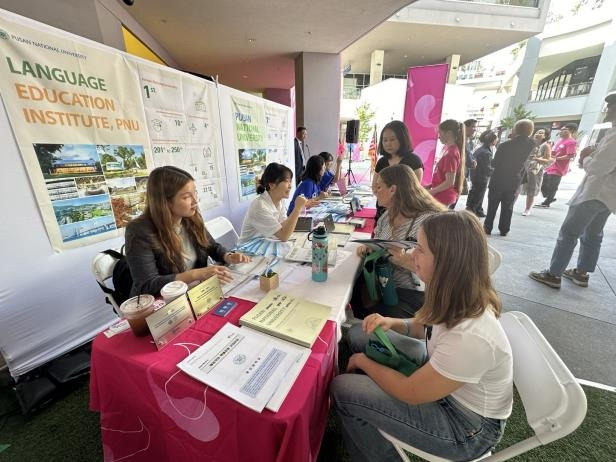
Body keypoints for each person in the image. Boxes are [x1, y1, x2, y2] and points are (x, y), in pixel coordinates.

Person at [332, 211, 512, 462]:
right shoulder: (455, 291)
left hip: (465, 427)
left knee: (343, 388)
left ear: (446, 261)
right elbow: (425, 327)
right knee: (357, 333)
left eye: (421, 249)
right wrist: (392, 322)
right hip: (439, 376)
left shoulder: (471, 335)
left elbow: (411, 391)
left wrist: (364, 362)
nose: (412, 255)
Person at [529, 92, 616, 289]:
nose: (607, 111)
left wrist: (585, 157)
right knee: (593, 234)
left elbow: (597, 168)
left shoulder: (614, 136)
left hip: (594, 193)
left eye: (611, 107)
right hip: (608, 196)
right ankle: (581, 272)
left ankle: (554, 274)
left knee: (569, 233)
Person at [125, 166, 250, 297]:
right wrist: (196, 274)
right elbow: (147, 285)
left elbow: (211, 246)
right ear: (165, 202)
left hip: (195, 291)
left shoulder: (190, 218)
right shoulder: (139, 231)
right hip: (165, 301)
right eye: (186, 197)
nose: (195, 201)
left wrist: (228, 256)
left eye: (195, 193)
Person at [354, 164, 446, 319]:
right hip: (384, 284)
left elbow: (442, 272)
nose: (375, 191)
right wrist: (369, 247)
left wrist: (404, 260)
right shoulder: (387, 215)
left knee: (379, 318)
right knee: (353, 286)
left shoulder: (430, 222)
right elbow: (377, 240)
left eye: (379, 187)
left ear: (393, 189)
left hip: (414, 293)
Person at [483, 119, 535, 237]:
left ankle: (488, 227)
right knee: (508, 206)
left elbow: (495, 163)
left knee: (492, 205)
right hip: (514, 179)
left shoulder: (504, 145)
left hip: (499, 178)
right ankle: (504, 229)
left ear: (516, 129)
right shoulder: (530, 144)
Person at [238, 163, 309, 243]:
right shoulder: (260, 206)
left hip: (264, 243)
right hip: (247, 249)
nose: (290, 186)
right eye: (286, 181)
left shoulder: (280, 200)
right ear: (272, 185)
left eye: (290, 182)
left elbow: (284, 224)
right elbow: (284, 236)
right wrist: (297, 209)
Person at [372, 120, 424, 224]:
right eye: (385, 140)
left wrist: (390, 199)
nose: (388, 144)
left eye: (392, 139)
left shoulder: (414, 161)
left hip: (403, 213)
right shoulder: (382, 161)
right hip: (382, 211)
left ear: (402, 139)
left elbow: (414, 191)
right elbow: (374, 186)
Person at [536, 123, 577, 208]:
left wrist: (557, 159)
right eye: (561, 129)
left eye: (564, 130)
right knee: (544, 184)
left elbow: (571, 155)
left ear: (571, 131)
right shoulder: (559, 140)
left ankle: (547, 202)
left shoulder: (571, 142)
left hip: (558, 168)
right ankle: (550, 197)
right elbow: (554, 151)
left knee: (552, 185)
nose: (561, 131)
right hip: (550, 165)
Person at [428, 119, 465, 208]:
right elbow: (442, 176)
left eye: (440, 133)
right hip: (440, 194)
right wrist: (429, 186)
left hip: (443, 197)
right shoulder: (446, 149)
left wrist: (430, 192)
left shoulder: (451, 153)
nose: (438, 136)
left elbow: (449, 182)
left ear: (448, 133)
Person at [466, 129, 498, 217]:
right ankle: (471, 212)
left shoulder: (481, 149)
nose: (497, 140)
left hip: (475, 175)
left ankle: (477, 210)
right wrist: (495, 172)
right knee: (478, 195)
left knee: (475, 192)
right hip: (481, 177)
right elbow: (487, 168)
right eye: (496, 138)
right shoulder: (486, 153)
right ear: (492, 140)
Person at [520, 128, 552, 216]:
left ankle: (527, 209)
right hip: (525, 168)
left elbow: (547, 159)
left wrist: (535, 158)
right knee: (518, 187)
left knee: (531, 190)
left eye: (541, 133)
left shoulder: (546, 146)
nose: (538, 134)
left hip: (535, 171)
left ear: (545, 136)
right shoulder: (530, 143)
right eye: (537, 132)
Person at [463, 118, 478, 194]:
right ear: (465, 127)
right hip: (457, 174)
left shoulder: (469, 141)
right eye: (473, 126)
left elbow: (469, 154)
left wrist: (473, 160)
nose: (474, 129)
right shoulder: (460, 140)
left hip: (463, 173)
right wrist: (472, 162)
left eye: (475, 127)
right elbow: (466, 156)